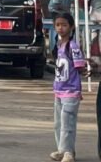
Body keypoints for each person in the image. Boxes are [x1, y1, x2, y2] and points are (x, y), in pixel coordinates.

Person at [51, 12, 86, 162]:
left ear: (71, 27)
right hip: (59, 91)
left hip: (71, 92)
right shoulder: (59, 46)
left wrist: (79, 89)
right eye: (58, 25)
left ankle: (68, 152)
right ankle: (61, 149)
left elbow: (80, 69)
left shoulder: (73, 47)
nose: (61, 28)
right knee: (58, 123)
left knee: (68, 123)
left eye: (64, 25)